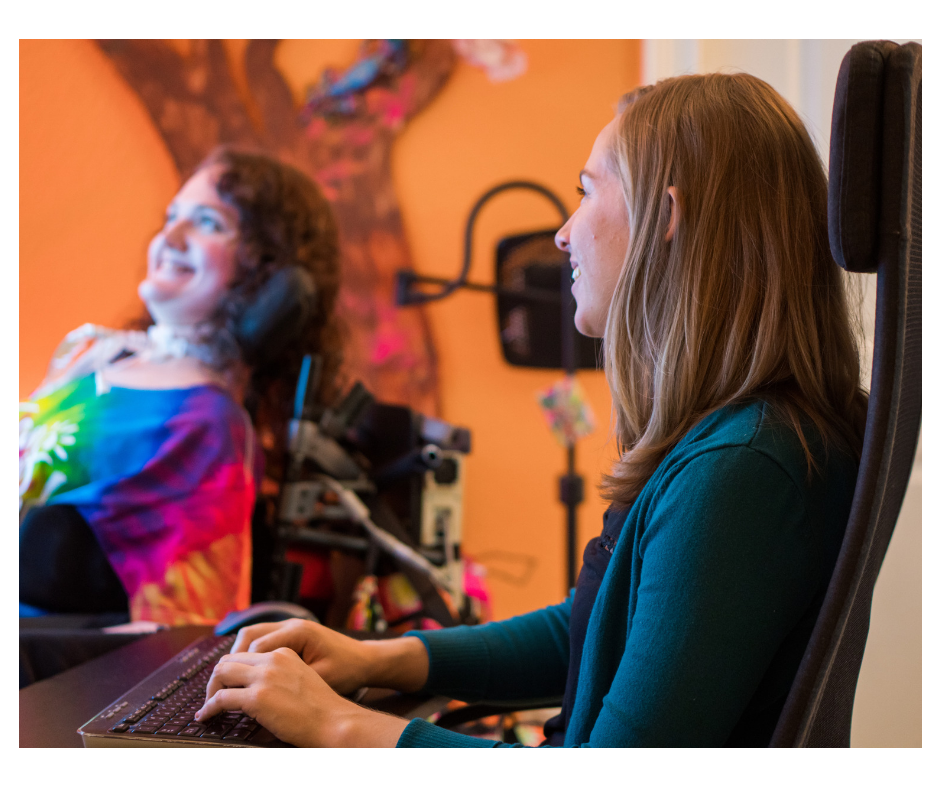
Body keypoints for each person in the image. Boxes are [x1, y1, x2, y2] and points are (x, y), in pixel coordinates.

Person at [195, 72, 868, 747]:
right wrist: (380, 657)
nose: (563, 235)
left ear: (664, 216)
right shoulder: (744, 441)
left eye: (585, 191)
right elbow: (597, 623)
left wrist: (336, 724)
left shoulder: (739, 469)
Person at [19, 148, 342, 627]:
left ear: (271, 275)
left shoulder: (209, 424)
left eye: (208, 222)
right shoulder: (90, 351)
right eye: (171, 216)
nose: (169, 236)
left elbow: (180, 634)